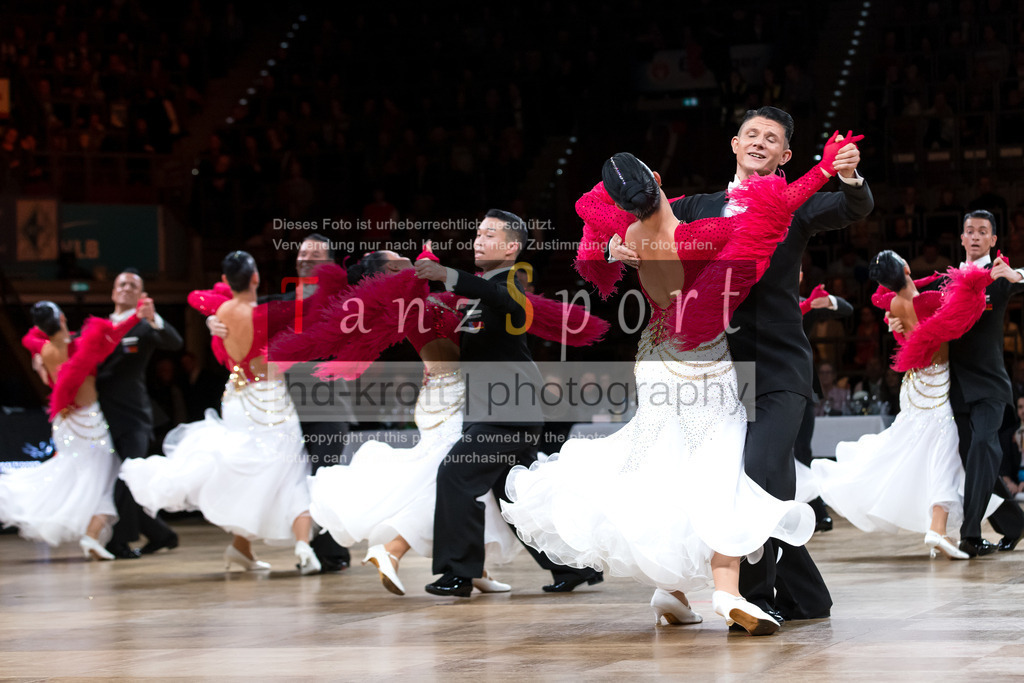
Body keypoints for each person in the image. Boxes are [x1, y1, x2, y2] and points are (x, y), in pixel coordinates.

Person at [504, 144, 851, 635]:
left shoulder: (624, 231)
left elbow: (587, 205)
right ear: (659, 180)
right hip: (702, 362)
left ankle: (672, 589)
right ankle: (727, 590)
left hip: (652, 359)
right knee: (722, 473)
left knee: (666, 465)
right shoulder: (698, 234)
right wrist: (822, 169)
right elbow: (779, 207)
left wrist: (607, 248)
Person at [610, 106, 873, 624]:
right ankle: (802, 594)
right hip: (716, 369)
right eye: (751, 134)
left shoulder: (794, 206)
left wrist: (849, 175)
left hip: (778, 364)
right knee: (745, 479)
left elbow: (853, 206)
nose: (759, 142)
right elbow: (639, 222)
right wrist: (618, 245)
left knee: (761, 469)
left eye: (771, 138)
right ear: (734, 144)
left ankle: (750, 595)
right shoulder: (698, 205)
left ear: (785, 155)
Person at [415, 210, 604, 598]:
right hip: (493, 412)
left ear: (512, 247)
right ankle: (573, 569)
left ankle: (458, 574)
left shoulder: (512, 288)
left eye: (488, 234)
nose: (478, 240)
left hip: (508, 414)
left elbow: (498, 297)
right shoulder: (478, 294)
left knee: (456, 475)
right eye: (477, 233)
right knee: (515, 498)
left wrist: (446, 275)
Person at [121, 252, 320, 574]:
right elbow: (310, 309)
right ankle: (302, 546)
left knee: (252, 472)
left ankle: (241, 549)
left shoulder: (222, 313)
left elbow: (195, 297)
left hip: (237, 400)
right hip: (269, 401)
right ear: (256, 278)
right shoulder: (267, 313)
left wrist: (211, 319)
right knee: (292, 469)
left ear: (227, 281)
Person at [810, 251, 1001, 560]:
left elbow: (877, 297)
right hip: (936, 385)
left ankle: (937, 527)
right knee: (944, 454)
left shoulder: (893, 305)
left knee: (922, 451)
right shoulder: (927, 302)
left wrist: (898, 308)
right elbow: (958, 309)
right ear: (908, 268)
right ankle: (936, 528)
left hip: (912, 385)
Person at [208, 234, 352, 571]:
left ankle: (330, 551)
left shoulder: (344, 299)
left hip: (328, 403)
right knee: (289, 477)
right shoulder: (279, 304)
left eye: (315, 254)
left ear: (329, 263)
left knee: (323, 475)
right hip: (284, 407)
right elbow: (239, 316)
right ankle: (301, 547)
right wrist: (212, 321)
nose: (306, 258)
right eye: (302, 253)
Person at [0, 302, 138, 559]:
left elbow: (30, 341)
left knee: (88, 479)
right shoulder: (79, 346)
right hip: (88, 424)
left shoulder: (44, 349)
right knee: (108, 478)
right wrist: (137, 313)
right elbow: (114, 333)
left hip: (63, 425)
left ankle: (92, 536)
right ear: (63, 317)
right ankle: (92, 535)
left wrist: (40, 366)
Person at [95, 268, 182, 558]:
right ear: (113, 291)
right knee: (113, 480)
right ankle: (161, 534)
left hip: (134, 416)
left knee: (128, 477)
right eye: (121, 283)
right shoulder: (98, 327)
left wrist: (153, 318)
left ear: (141, 294)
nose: (126, 288)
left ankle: (118, 541)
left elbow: (174, 342)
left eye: (133, 285)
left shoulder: (143, 326)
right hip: (101, 416)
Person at [795, 281, 853, 532]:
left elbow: (847, 309)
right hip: (764, 384)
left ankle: (815, 510)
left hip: (801, 385)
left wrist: (828, 301)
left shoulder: (803, 302)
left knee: (802, 452)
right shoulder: (760, 297)